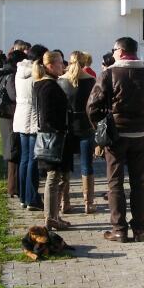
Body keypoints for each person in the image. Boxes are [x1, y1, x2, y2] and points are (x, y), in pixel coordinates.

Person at [86, 36, 144, 243]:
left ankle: (119, 229)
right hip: (140, 136)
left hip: (115, 137)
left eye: (114, 50)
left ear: (120, 52)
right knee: (138, 183)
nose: (112, 53)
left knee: (115, 183)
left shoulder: (108, 74)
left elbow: (92, 107)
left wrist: (100, 130)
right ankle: (140, 229)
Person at [33, 50, 72, 230]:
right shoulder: (48, 86)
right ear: (49, 65)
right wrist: (60, 129)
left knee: (59, 177)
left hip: (54, 136)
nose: (63, 65)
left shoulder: (45, 84)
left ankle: (54, 215)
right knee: (53, 177)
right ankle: (50, 217)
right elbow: (47, 115)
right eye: (60, 63)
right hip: (54, 138)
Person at [59, 51, 97, 213]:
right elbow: (94, 105)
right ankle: (88, 203)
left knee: (65, 166)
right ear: (84, 62)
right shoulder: (91, 80)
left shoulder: (60, 81)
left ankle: (64, 202)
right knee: (87, 165)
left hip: (67, 126)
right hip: (85, 125)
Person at [15, 44, 48, 211]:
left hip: (21, 117)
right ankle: (32, 198)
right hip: (34, 118)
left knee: (24, 159)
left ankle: (23, 196)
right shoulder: (36, 73)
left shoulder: (19, 71)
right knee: (33, 160)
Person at [0, 49, 25, 200]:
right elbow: (14, 95)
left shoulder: (2, 72)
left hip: (4, 114)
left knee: (10, 148)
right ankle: (14, 187)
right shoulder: (11, 75)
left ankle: (12, 185)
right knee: (13, 149)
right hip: (10, 114)